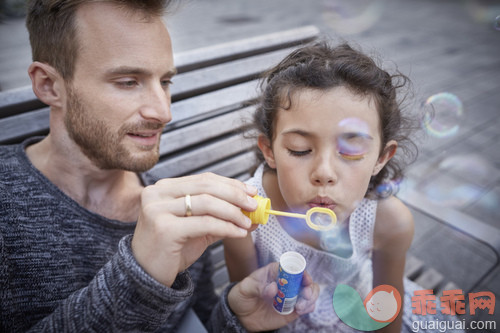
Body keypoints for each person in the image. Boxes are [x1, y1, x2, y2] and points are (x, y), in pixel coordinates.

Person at [0, 0, 320, 332]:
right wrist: (141, 274)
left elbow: (197, 319)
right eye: (128, 81)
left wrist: (236, 318)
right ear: (49, 85)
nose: (163, 112)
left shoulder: (176, 208)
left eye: (165, 82)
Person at [223, 41, 465, 332]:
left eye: (350, 152)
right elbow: (250, 313)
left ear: (381, 158)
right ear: (269, 150)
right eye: (300, 149)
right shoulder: (245, 216)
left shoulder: (389, 223)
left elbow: (387, 316)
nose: (324, 173)